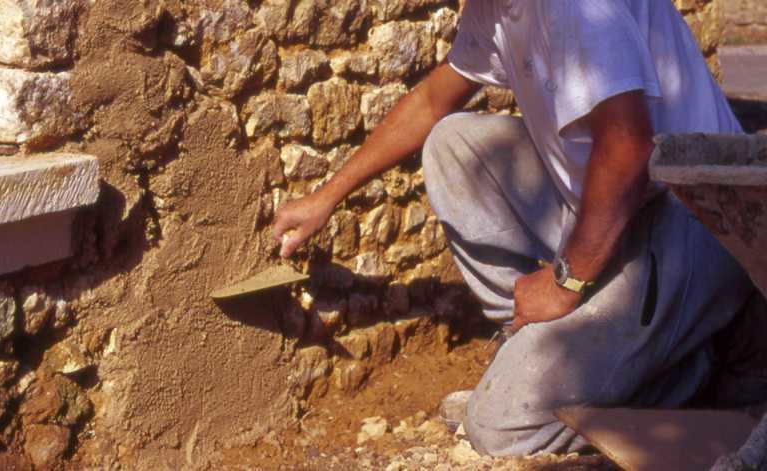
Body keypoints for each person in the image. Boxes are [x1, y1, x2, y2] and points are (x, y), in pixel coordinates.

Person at [273, 0, 755, 456]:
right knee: (453, 143)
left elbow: (629, 150)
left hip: (697, 227)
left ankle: (688, 368)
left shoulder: (574, 10)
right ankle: (542, 352)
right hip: (616, 211)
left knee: (501, 427)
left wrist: (565, 282)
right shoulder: (495, 9)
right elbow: (429, 103)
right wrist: (325, 198)